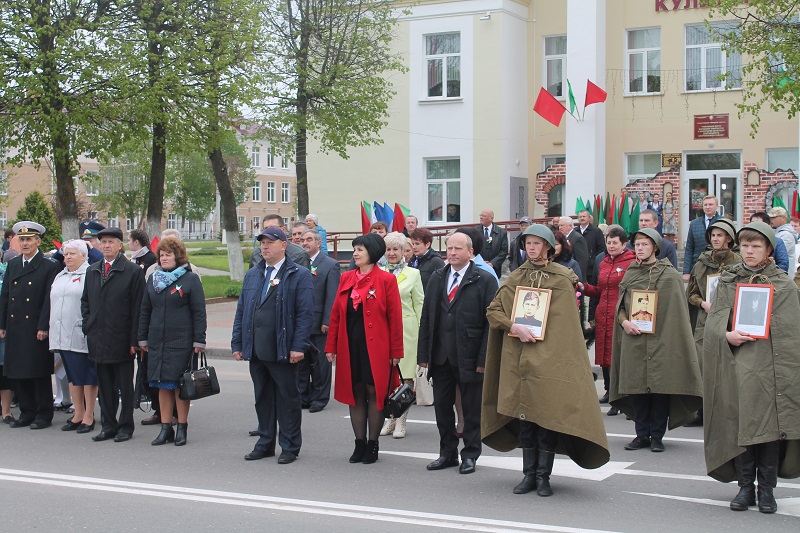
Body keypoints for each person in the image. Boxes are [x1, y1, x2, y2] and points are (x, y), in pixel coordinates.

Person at [483, 224, 610, 496]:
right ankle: (528, 475)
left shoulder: (562, 278)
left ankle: (544, 477)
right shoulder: (516, 277)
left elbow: (566, 327)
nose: (531, 247)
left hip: (551, 362)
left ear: (549, 247)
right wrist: (513, 327)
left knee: (547, 420)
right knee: (526, 419)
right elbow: (494, 311)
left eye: (537, 243)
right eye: (527, 242)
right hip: (522, 361)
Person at [703, 222, 800, 514]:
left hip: (772, 365)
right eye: (745, 245)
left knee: (769, 428)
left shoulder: (783, 283)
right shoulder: (729, 280)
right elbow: (714, 324)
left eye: (756, 246)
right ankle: (745, 488)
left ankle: (766, 490)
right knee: (742, 425)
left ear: (769, 250)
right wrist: (726, 335)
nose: (749, 251)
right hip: (738, 362)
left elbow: (791, 329)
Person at [610, 228, 702, 452]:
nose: (640, 249)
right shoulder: (631, 272)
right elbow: (621, 306)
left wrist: (664, 331)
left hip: (662, 339)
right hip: (635, 339)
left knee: (660, 389)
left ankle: (657, 436)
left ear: (655, 248)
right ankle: (641, 435)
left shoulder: (669, 275)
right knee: (638, 389)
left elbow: (675, 313)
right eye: (638, 245)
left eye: (645, 245)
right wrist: (625, 323)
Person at [418, 232, 498, 475]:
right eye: (449, 248)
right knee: (442, 408)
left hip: (470, 355)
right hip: (441, 355)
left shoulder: (483, 279)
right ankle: (447, 452)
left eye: (458, 249)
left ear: (470, 252)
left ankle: (471, 454)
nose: (452, 253)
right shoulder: (437, 277)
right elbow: (427, 316)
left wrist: (484, 359)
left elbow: (490, 324)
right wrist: (424, 354)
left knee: (472, 410)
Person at [325, 233, 403, 464]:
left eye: (360, 249)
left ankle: (373, 444)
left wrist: (396, 352)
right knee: (355, 392)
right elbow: (336, 315)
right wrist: (331, 345)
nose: (356, 254)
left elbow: (394, 318)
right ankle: (359, 443)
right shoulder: (346, 278)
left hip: (377, 348)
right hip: (350, 345)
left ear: (372, 252)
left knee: (374, 392)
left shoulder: (386, 280)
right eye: (355, 249)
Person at [138, 238, 206, 446]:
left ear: (178, 256)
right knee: (162, 386)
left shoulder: (190, 279)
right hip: (157, 340)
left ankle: (182, 428)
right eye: (161, 255)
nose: (164, 258)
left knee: (180, 386)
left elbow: (199, 312)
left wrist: (199, 340)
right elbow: (145, 310)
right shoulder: (153, 279)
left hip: (181, 341)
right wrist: (142, 337)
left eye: (168, 254)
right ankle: (165, 428)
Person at [81, 227, 145, 442]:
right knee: (105, 386)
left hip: (122, 339)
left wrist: (134, 340)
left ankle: (125, 426)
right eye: (103, 242)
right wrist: (88, 324)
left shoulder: (132, 271)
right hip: (98, 337)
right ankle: (108, 425)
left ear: (120, 245)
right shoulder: (93, 270)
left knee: (125, 387)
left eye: (111, 242)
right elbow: (85, 302)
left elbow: (139, 308)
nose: (106, 246)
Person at [0, 221, 60, 429]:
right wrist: (2, 323)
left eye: (29, 240)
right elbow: (6, 295)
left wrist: (43, 326)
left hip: (35, 327)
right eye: (22, 240)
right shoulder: (15, 264)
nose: (25, 243)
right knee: (17, 371)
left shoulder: (48, 265)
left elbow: (48, 299)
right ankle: (26, 412)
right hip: (15, 325)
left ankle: (43, 414)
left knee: (38, 371)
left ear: (38, 241)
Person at [685, 219, 740, 427]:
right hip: (705, 320)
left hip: (729, 323)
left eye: (720, 235)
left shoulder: (739, 262)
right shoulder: (702, 263)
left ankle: (724, 412)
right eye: (713, 235)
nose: (716, 239)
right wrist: (703, 304)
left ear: (729, 238)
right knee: (703, 366)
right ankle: (702, 412)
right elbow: (692, 294)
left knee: (726, 368)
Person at [580, 225, 636, 413]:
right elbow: (599, 289)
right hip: (602, 314)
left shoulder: (632, 262)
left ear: (624, 244)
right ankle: (610, 393)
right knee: (604, 355)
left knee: (618, 356)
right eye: (608, 242)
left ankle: (622, 397)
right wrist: (583, 287)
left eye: (615, 242)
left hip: (620, 315)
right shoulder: (603, 262)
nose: (611, 246)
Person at [49, 239, 98, 434]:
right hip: (62, 333)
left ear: (84, 256)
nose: (67, 257)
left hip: (80, 333)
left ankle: (89, 415)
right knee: (72, 375)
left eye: (72, 254)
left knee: (87, 375)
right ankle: (78, 413)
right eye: (66, 254)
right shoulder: (61, 275)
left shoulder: (89, 274)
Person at [379, 232, 423, 439]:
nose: (392, 253)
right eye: (388, 249)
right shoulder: (377, 272)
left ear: (404, 251)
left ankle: (402, 421)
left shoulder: (413, 274)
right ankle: (390, 418)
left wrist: (423, 334)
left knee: (405, 376)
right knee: (388, 377)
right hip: (383, 330)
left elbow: (419, 305)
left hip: (407, 330)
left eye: (396, 249)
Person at [298, 229, 340, 413]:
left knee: (321, 364)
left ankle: (319, 398)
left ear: (318, 243)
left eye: (308, 240)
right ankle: (303, 396)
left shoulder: (330, 265)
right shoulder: (297, 263)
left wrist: (328, 321)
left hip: (319, 323)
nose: (304, 243)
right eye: (302, 240)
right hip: (300, 323)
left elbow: (332, 296)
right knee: (301, 363)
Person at [683, 195, 720, 281]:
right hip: (697, 267)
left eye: (710, 204)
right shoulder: (694, 223)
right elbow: (689, 248)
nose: (708, 207)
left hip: (717, 267)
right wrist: (686, 271)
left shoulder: (723, 222)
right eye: (705, 205)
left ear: (716, 206)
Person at [767, 206, 797, 277]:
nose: (771, 220)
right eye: (770, 218)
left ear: (783, 218)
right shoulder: (778, 233)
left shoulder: (786, 235)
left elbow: (775, 254)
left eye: (774, 218)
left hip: (784, 276)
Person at [477, 210, 508, 277]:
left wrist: (492, 263)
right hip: (478, 268)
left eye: (484, 216)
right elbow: (472, 249)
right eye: (481, 215)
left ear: (491, 218)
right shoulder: (475, 232)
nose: (481, 217)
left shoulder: (501, 233)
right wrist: (480, 262)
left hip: (494, 269)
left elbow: (504, 251)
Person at [557, 217, 589, 281]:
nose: (560, 227)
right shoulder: (562, 238)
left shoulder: (578, 238)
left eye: (562, 225)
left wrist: (578, 278)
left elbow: (582, 261)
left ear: (570, 226)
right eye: (559, 225)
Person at [577, 210, 606, 281]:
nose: (582, 218)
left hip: (591, 268)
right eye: (580, 217)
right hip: (578, 266)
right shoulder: (575, 231)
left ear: (589, 218)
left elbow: (601, 248)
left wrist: (594, 260)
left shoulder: (596, 231)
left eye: (584, 216)